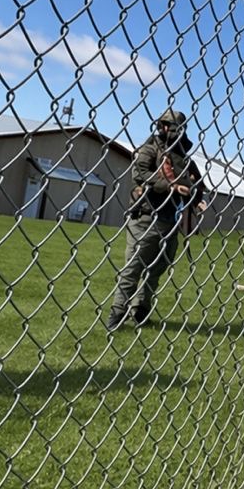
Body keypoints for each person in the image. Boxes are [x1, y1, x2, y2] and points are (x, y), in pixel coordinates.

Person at [106, 108, 205, 331]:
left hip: (170, 221)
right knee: (133, 268)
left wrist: (196, 196)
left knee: (158, 268)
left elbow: (197, 184)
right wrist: (170, 185)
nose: (172, 131)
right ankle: (117, 314)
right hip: (145, 218)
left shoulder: (184, 159)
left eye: (178, 127)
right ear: (161, 126)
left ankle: (141, 310)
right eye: (169, 126)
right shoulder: (148, 150)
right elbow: (140, 174)